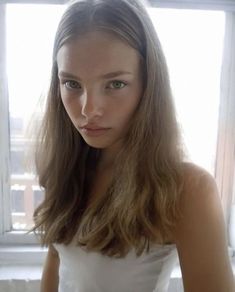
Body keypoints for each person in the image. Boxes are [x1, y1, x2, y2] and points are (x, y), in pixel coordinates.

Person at [33, 0, 235, 291]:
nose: (89, 110)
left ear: (149, 84)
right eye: (72, 84)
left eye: (115, 84)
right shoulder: (66, 169)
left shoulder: (187, 188)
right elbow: (55, 275)